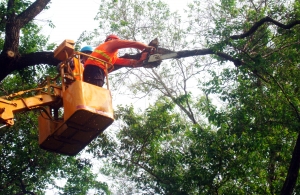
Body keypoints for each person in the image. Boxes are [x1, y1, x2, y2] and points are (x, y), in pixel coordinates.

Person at [83, 34, 155, 87]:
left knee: (95, 87)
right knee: (95, 87)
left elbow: (121, 61)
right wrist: (145, 47)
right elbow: (129, 43)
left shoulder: (110, 55)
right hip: (94, 69)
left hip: (95, 70)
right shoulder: (111, 43)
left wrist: (137, 63)